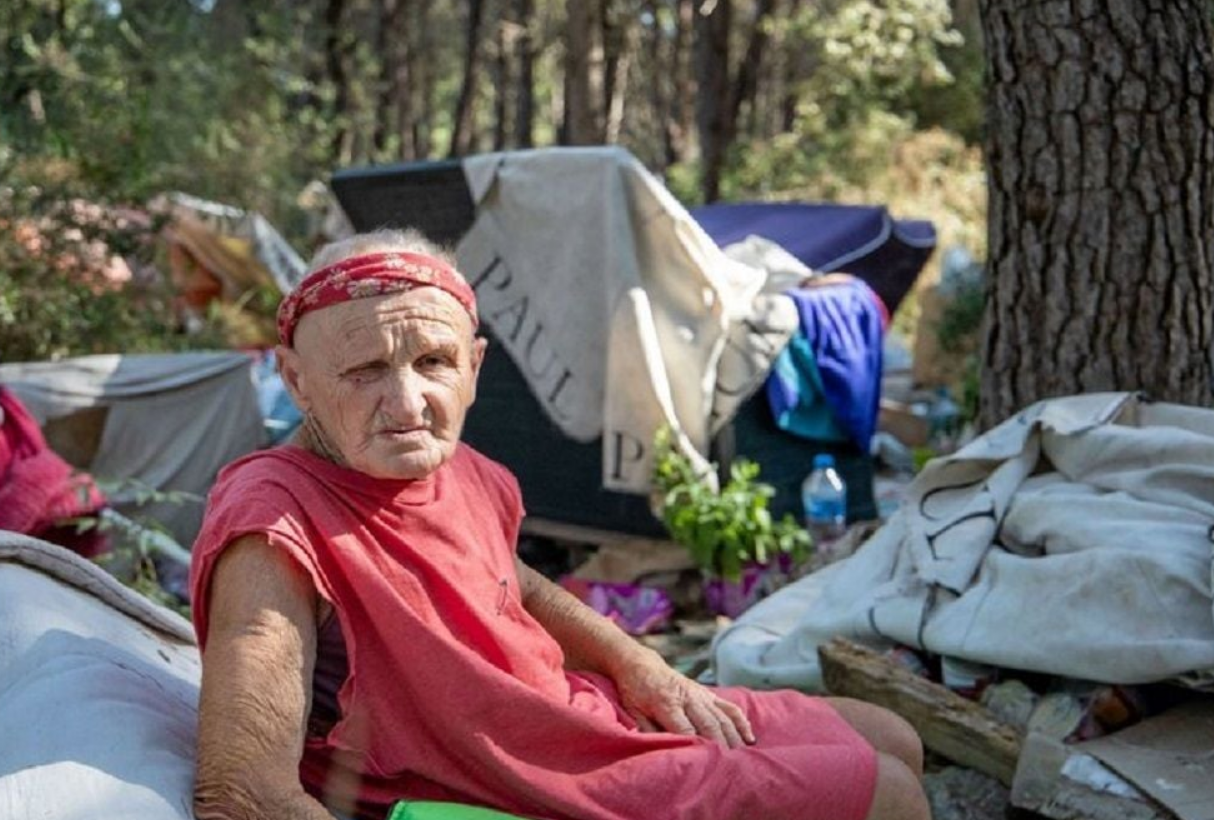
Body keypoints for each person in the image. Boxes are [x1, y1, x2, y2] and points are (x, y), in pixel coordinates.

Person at [190, 230, 931, 820]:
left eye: (433, 361)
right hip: (518, 784)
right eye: (364, 370)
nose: (409, 402)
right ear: (295, 380)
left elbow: (509, 581)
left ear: (474, 367)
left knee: (891, 736)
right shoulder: (274, 520)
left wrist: (636, 664)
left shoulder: (458, 469)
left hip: (576, 721)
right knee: (887, 794)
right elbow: (242, 794)